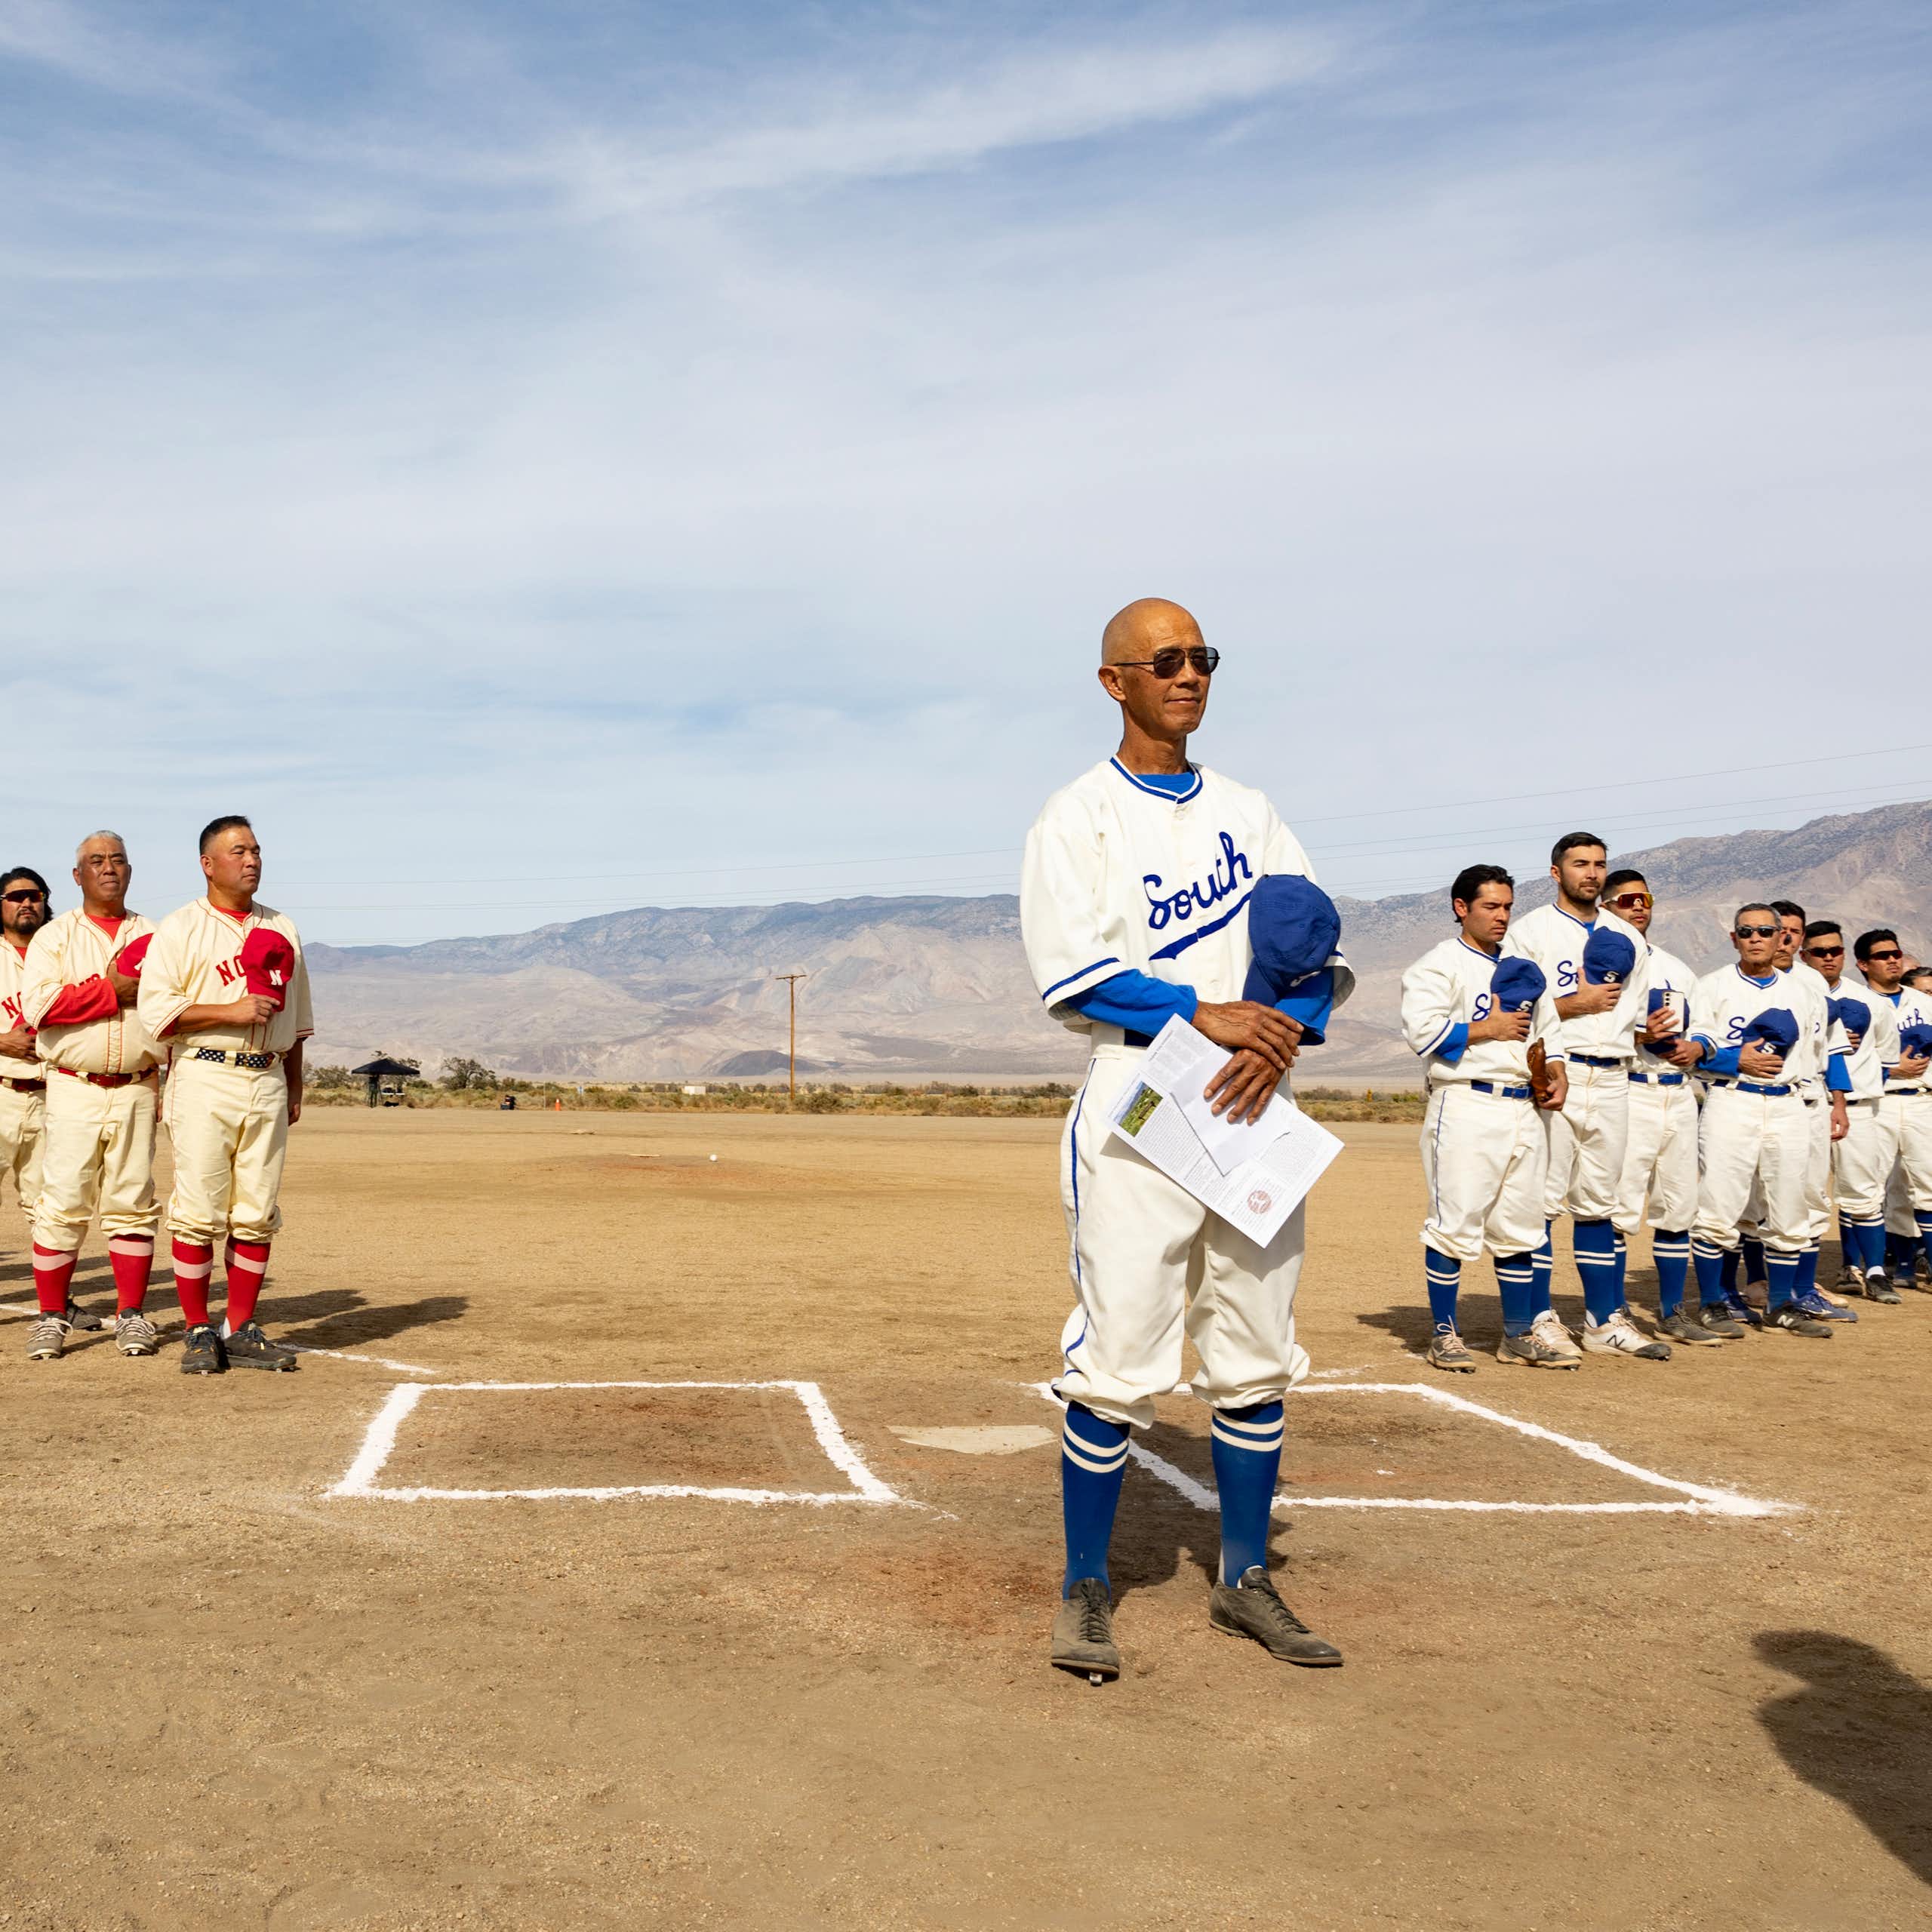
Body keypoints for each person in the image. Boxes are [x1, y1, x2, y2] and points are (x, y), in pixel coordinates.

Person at [1022, 598, 1351, 1683]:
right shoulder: (1077, 816)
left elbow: (1310, 943)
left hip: (1255, 1092)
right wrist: (1196, 1010)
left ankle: (1245, 1579)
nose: (1190, 674)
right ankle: (1084, 1587)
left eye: (1202, 657)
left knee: (1255, 1340)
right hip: (1141, 1089)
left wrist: (1285, 1032)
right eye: (1165, 660)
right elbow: (1070, 973)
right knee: (1120, 1351)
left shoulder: (1252, 814)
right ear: (1114, 680)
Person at [136, 816, 313, 1376]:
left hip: (265, 1075)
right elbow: (157, 1015)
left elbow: (299, 1019)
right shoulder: (181, 928)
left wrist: (293, 1081)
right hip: (205, 1074)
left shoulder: (283, 926)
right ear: (208, 864)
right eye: (238, 851)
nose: (252, 860)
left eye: (257, 850)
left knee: (256, 1211)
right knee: (198, 1212)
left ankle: (240, 1327)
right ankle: (196, 1329)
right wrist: (228, 1011)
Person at [1400, 865, 1571, 1370]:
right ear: (1461, 907)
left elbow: (1549, 1034)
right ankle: (1444, 1333)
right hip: (1466, 1103)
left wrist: (1555, 1072)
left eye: (1507, 907)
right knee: (1453, 1223)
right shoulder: (1437, 966)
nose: (1502, 916)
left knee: (1521, 1226)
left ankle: (1518, 1335)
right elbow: (1422, 1033)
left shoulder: (1523, 966)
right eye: (1491, 906)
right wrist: (1487, 1027)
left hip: (1524, 1106)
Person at [1503, 834, 1660, 1358]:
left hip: (1615, 1077)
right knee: (1543, 1202)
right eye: (1579, 864)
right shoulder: (1530, 933)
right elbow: (1517, 1012)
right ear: (1555, 872)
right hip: (1556, 1077)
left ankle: (1602, 1322)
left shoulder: (1628, 938)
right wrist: (1573, 1004)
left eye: (1598, 865)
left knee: (1599, 1205)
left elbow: (1632, 1021)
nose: (1591, 874)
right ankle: (1542, 1317)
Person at [18, 833, 162, 1360]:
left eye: (118, 860)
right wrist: (111, 991)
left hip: (138, 1085)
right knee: (62, 1203)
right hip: (74, 1084)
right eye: (96, 862)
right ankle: (52, 1316)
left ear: (130, 871)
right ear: (77, 876)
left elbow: (174, 1008)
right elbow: (40, 1007)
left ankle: (131, 1315)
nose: (109, 869)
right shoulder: (54, 938)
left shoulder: (155, 934)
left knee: (133, 1203)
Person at [1681, 906, 1834, 1336]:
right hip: (1732, 1101)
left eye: (1766, 931)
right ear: (1734, 938)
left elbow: (1813, 1057)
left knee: (1790, 1206)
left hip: (1789, 1103)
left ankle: (1781, 1303)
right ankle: (1713, 1302)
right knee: (1719, 1205)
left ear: (1782, 938)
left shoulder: (1805, 991)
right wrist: (1735, 1061)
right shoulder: (1712, 986)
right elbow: (1696, 1052)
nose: (1756, 938)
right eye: (1746, 931)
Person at [1601, 869, 1716, 1345]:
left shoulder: (1676, 966)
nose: (1639, 906)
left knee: (1678, 1206)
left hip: (1679, 1091)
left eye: (1645, 898)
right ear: (1607, 906)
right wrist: (1636, 1031)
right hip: (1629, 1086)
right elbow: (1587, 1024)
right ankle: (1611, 1310)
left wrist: (1698, 1048)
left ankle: (1672, 1311)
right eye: (1627, 899)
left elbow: (1710, 1026)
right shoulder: (1601, 962)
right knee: (1620, 1206)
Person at [1802, 920, 1900, 1302]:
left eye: (1836, 950)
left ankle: (1874, 1272)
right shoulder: (1796, 995)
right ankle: (1802, 1281)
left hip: (1858, 1108)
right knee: (1808, 1195)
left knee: (1865, 1194)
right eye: (1820, 951)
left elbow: (1888, 1058)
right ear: (1804, 954)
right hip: (1808, 1105)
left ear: (1846, 954)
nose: (1829, 957)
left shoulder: (1873, 1003)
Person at [1854, 928, 1932, 1293]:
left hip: (1921, 1099)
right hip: (1878, 1101)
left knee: (1928, 1186)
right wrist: (1890, 1068)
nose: (1893, 960)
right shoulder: (1858, 1003)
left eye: (1896, 953)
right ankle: (1887, 1268)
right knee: (1878, 1186)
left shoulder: (1923, 1002)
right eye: (1883, 956)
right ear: (1864, 964)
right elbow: (1848, 1056)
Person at [0, 867, 54, 1281]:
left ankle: (54, 1301)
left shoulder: (60, 953)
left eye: (34, 895)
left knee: (49, 1204)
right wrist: (3, 1042)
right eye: (15, 896)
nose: (26, 903)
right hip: (2, 1091)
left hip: (53, 1096)